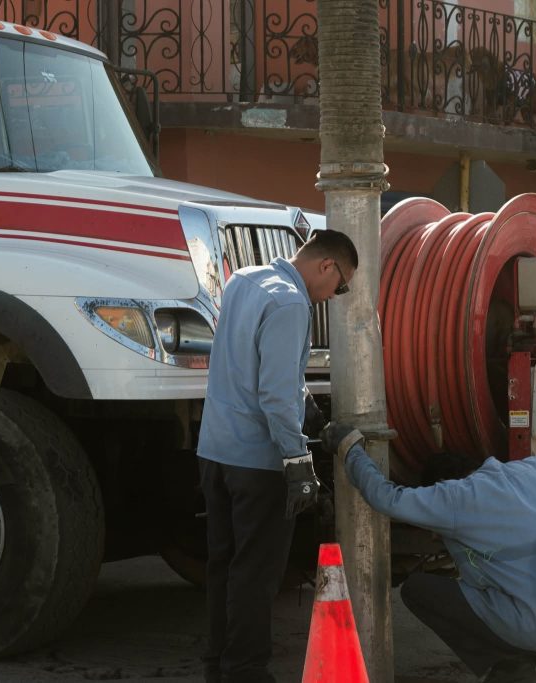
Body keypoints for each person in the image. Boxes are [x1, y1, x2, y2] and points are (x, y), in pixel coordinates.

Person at [321, 382, 536, 683]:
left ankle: (510, 668)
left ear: (442, 483)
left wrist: (350, 448)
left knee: (418, 590)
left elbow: (387, 498)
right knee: (524, 590)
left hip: (531, 626)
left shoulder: (455, 497)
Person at [197, 229, 357, 683]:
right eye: (340, 285)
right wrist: (297, 462)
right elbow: (275, 392)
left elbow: (261, 372)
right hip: (257, 462)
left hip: (215, 453)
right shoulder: (291, 303)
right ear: (327, 266)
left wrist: (314, 417)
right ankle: (245, 672)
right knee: (256, 574)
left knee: (223, 565)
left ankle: (219, 667)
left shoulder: (243, 280)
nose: (334, 295)